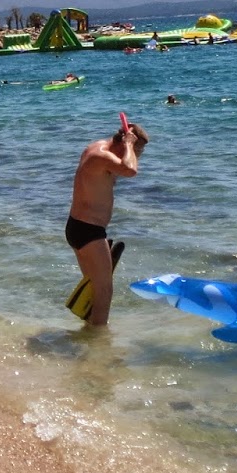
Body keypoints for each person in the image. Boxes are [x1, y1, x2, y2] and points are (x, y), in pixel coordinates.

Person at [65, 119, 150, 327]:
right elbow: (131, 171)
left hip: (80, 227)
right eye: (138, 153)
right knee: (104, 290)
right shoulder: (99, 155)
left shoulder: (98, 150)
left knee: (94, 288)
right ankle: (99, 343)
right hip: (89, 231)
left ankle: (88, 331)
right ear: (124, 142)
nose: (136, 158)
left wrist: (127, 145)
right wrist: (130, 145)